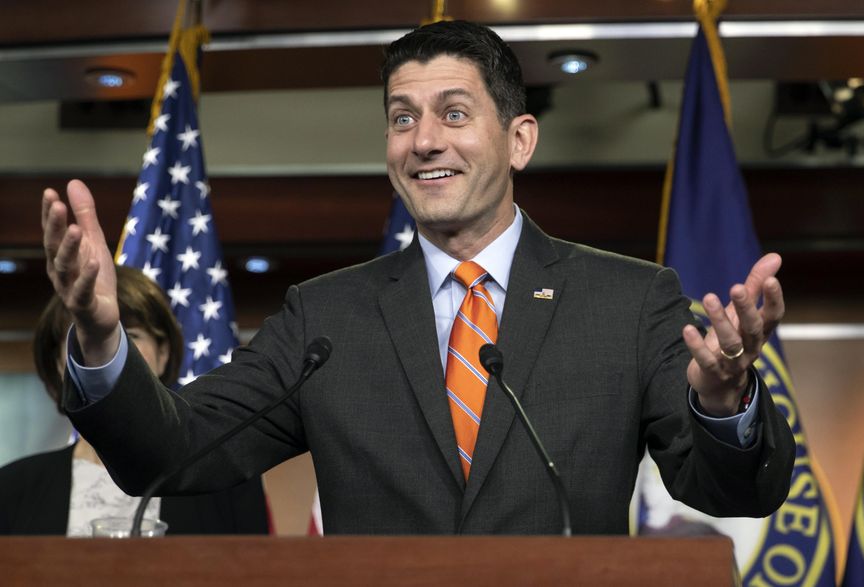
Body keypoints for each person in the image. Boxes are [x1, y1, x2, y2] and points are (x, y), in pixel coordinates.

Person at [40, 21, 794, 535]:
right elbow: (170, 452)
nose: (424, 140)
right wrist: (104, 337)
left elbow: (735, 490)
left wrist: (724, 402)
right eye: (402, 118)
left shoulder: (628, 302)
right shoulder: (325, 317)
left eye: (454, 113)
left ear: (519, 139)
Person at [0, 265, 269, 536]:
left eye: (131, 336)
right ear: (58, 362)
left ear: (163, 354)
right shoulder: (11, 488)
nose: (105, 353)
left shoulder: (225, 484)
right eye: (85, 335)